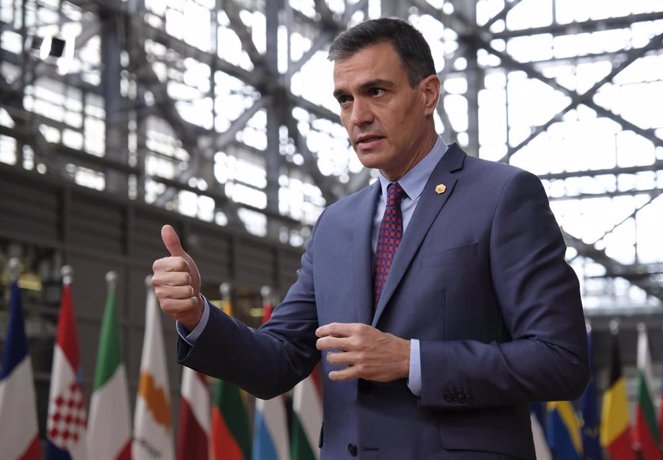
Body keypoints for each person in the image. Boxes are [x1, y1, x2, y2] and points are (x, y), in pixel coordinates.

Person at [152, 17, 588, 459]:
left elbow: (561, 360)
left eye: (376, 92)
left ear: (428, 94)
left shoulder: (503, 196)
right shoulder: (335, 225)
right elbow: (277, 362)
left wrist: (411, 361)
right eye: (345, 99)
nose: (357, 116)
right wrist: (196, 314)